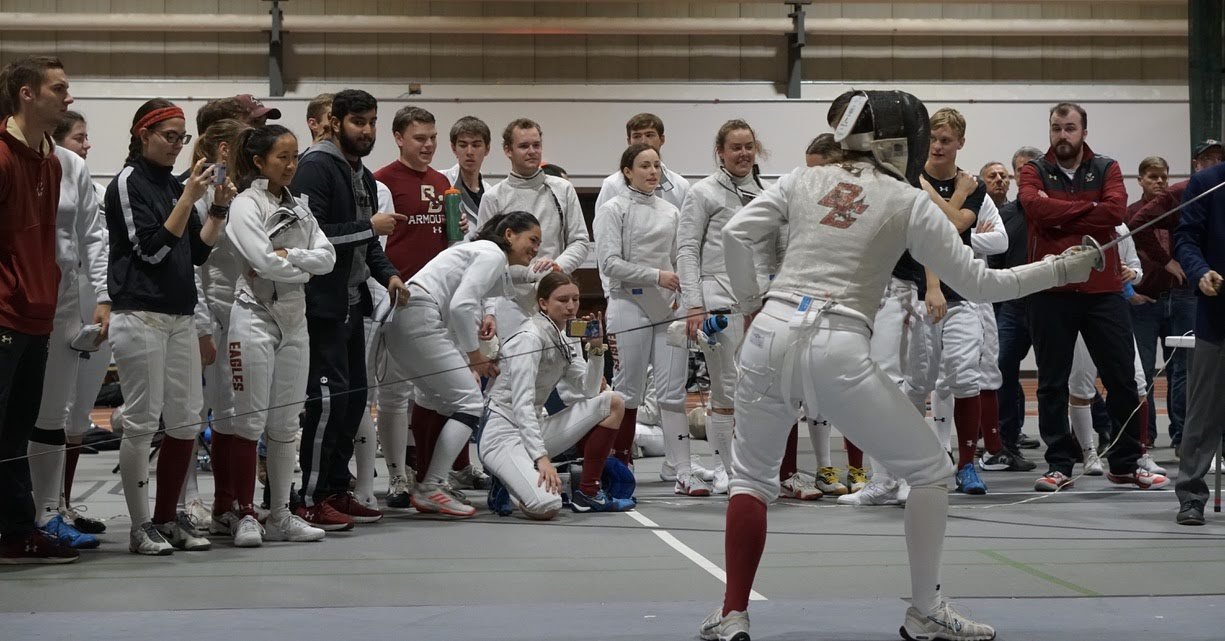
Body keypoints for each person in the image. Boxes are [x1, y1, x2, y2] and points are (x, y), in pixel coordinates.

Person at [699, 89, 1099, 641]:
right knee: (932, 472)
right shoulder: (908, 200)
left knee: (751, 478)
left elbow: (736, 234)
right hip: (836, 344)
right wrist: (1057, 270)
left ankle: (732, 614)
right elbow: (980, 282)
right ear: (898, 143)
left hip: (768, 334)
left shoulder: (799, 178)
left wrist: (751, 303)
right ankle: (924, 611)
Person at [106, 98, 233, 554]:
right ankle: (141, 527)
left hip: (179, 315)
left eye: (182, 137)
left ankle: (167, 518)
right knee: (142, 422)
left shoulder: (177, 185)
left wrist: (216, 209)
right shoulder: (128, 183)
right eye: (169, 136)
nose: (178, 145)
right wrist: (188, 199)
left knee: (185, 421)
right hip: (139, 313)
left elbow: (197, 253)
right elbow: (153, 250)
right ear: (144, 135)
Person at [1018, 102, 1167, 492]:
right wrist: (1090, 209)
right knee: (1051, 382)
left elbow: (1115, 211)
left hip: (1103, 292)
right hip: (1050, 291)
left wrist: (1060, 214)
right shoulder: (1034, 169)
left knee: (1120, 378)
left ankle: (1125, 462)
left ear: (1084, 131)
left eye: (1069, 128)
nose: (1062, 135)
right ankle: (1059, 465)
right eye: (1056, 128)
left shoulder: (1107, 167)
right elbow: (1033, 208)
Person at [291, 89, 407, 530]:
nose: (367, 130)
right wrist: (368, 228)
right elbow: (311, 237)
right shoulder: (317, 166)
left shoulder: (359, 171)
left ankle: (337, 489)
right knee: (325, 403)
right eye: (358, 121)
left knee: (352, 400)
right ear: (334, 122)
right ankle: (310, 497)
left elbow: (367, 243)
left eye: (373, 121)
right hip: (321, 305)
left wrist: (389, 273)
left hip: (352, 301)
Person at [219, 124, 335, 546]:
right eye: (282, 157)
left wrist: (296, 259)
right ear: (258, 161)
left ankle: (282, 514)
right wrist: (301, 267)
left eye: (294, 156)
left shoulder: (301, 208)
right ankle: (244, 512)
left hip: (294, 321)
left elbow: (329, 256)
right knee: (248, 421)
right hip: (252, 316)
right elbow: (261, 261)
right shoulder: (244, 206)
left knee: (287, 423)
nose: (290, 165)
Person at [389, 212, 542, 517]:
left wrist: (540, 273)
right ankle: (432, 485)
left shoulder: (480, 253)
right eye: (533, 240)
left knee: (436, 399)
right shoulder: (491, 254)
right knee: (470, 401)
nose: (536, 248)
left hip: (404, 319)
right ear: (509, 234)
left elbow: (503, 284)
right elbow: (461, 305)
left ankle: (428, 482)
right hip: (419, 317)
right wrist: (475, 356)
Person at [0, 55, 80, 564]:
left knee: (15, 433)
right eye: (58, 88)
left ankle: (13, 533)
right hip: (3, 316)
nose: (67, 97)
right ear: (26, 93)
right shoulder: (1, 156)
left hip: (37, 314)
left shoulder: (52, 161)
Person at [373, 106, 469, 510]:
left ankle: (432, 475)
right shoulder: (382, 181)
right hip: (398, 301)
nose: (428, 145)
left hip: (438, 304)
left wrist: (459, 231)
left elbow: (452, 247)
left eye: (432, 137)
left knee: (434, 395)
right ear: (398, 137)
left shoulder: (444, 183)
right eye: (419, 138)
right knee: (393, 394)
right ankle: (396, 476)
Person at [596, 143, 704, 495]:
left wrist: (686, 302)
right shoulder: (613, 209)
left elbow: (682, 261)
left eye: (657, 165)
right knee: (628, 389)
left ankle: (681, 469)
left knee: (672, 391)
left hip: (667, 309)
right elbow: (610, 263)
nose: (653, 171)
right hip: (629, 304)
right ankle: (621, 461)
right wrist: (657, 276)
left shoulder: (671, 212)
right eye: (644, 165)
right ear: (627, 171)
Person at [677, 119, 778, 494]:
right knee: (726, 388)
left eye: (749, 146)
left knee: (761, 389)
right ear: (720, 152)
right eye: (735, 147)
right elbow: (687, 249)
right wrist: (694, 305)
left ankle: (750, 467)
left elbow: (777, 252)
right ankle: (724, 469)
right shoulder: (702, 193)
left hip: (761, 304)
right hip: (718, 301)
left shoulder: (768, 194)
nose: (743, 154)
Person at [899, 108, 997, 495]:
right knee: (917, 381)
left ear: (960, 143)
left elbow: (954, 228)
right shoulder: (909, 179)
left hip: (962, 293)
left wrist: (947, 195)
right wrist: (931, 287)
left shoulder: (973, 185)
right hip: (916, 290)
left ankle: (967, 465)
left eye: (945, 141)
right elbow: (926, 236)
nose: (937, 147)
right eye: (932, 140)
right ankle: (911, 463)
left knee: (966, 376)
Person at [480, 272, 632, 516]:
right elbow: (522, 405)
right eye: (562, 300)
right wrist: (542, 459)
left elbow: (589, 390)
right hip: (503, 434)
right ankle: (508, 480)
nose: (571, 306)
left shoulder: (562, 338)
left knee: (613, 402)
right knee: (547, 506)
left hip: (534, 430)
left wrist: (595, 348)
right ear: (543, 303)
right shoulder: (529, 338)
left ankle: (588, 492)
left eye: (575, 299)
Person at [26, 110, 110, 551]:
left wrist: (102, 296)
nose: (68, 96)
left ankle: (47, 512)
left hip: (62, 303)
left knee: (54, 414)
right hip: (14, 302)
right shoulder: (10, 159)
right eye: (58, 89)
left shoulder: (70, 165)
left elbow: (93, 237)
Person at [185, 118, 252, 533]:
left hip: (241, 320)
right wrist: (201, 327)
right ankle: (187, 499)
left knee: (231, 412)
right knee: (192, 412)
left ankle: (225, 504)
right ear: (225, 151)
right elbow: (189, 267)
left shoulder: (245, 195)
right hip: (205, 318)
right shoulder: (194, 197)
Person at [49, 110, 115, 534]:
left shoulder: (87, 183)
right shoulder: (48, 174)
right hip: (57, 301)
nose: (87, 144)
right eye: (79, 137)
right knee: (54, 409)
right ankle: (46, 507)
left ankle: (65, 506)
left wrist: (106, 300)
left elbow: (97, 243)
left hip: (93, 305)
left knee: (79, 414)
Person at [1129, 148, 1220, 450]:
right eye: (1207, 160)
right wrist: (1167, 261)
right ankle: (1146, 437)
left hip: (1184, 297)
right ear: (1197, 164)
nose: (1213, 165)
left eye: (1219, 159)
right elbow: (1138, 226)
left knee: (1183, 369)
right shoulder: (1182, 193)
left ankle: (1182, 436)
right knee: (1143, 369)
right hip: (1148, 298)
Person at [476, 118, 590, 336]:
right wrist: (488, 310)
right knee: (518, 365)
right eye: (523, 146)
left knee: (568, 366)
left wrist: (557, 268)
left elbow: (580, 241)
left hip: (556, 296)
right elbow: (486, 260)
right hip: (511, 301)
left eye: (536, 145)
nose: (531, 151)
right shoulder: (494, 197)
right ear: (508, 150)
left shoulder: (562, 189)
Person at [1172, 151, 1225, 526]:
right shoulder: (1209, 182)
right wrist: (1200, 271)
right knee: (1203, 412)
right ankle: (1191, 494)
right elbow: (1186, 239)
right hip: (1217, 316)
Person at [991, 147, 1045, 460]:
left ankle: (1066, 447)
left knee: (1055, 376)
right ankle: (1006, 445)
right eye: (1021, 170)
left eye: (1032, 170)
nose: (1026, 175)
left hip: (1051, 306)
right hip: (1012, 307)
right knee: (1002, 370)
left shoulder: (1056, 211)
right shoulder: (1004, 216)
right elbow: (995, 265)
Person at [441, 116, 493, 234]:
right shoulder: (439, 181)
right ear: (454, 148)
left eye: (476, 145)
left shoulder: (491, 193)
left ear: (487, 149)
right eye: (463, 145)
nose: (469, 152)